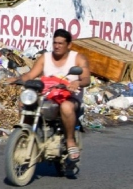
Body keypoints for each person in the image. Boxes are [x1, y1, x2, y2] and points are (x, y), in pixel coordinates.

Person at [9, 28, 91, 161]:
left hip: (70, 96)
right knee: (25, 102)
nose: (57, 46)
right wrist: (16, 80)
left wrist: (77, 83)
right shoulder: (45, 57)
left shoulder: (78, 58)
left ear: (69, 45)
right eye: (55, 43)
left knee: (66, 107)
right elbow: (30, 75)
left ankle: (70, 141)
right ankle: (27, 134)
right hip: (47, 95)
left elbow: (86, 79)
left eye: (61, 43)